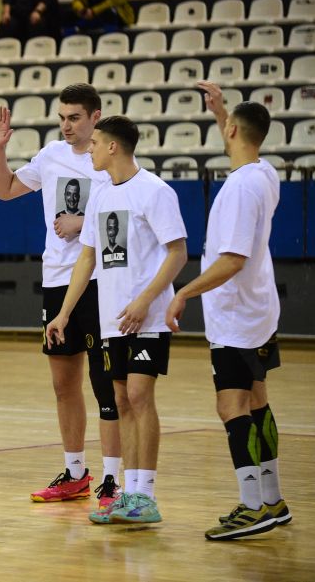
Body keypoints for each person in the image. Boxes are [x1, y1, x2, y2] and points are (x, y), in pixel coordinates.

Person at [45, 115, 187, 525]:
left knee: (140, 397)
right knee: (122, 400)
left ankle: (147, 495)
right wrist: (64, 313)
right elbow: (87, 258)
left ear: (113, 146)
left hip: (146, 317)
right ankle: (129, 493)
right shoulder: (101, 196)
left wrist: (146, 300)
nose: (88, 148)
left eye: (95, 143)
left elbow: (177, 252)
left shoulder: (154, 191)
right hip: (111, 319)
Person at [166, 82, 291, 540]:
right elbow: (240, 139)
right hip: (259, 311)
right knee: (258, 402)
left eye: (226, 126)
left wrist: (183, 293)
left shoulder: (239, 189)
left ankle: (253, 506)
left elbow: (232, 260)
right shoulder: (265, 173)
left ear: (235, 131)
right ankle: (273, 499)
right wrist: (221, 111)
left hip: (236, 318)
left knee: (230, 406)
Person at [0, 84, 122, 508]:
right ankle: (75, 472)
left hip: (101, 281)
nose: (66, 125)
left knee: (106, 385)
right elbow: (4, 190)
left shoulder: (110, 159)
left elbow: (126, 214)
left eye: (74, 118)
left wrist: (83, 222)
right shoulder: (50, 156)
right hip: (57, 281)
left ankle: (112, 479)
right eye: (62, 117)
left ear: (95, 117)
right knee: (64, 384)